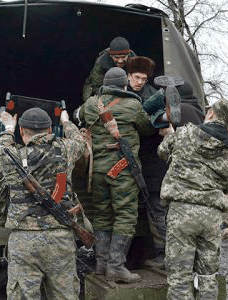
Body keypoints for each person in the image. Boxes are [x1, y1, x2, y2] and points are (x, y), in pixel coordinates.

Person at [0, 107, 86, 299]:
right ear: (51, 130)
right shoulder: (67, 149)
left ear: (21, 131)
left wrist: (8, 127)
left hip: (24, 241)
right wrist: (66, 122)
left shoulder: (11, 156)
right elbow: (80, 141)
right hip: (60, 238)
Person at [158, 98, 228, 299]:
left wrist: (170, 135)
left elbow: (162, 152)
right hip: (212, 217)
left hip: (182, 214)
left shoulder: (184, 134)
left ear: (211, 114)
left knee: (180, 278)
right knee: (208, 277)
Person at [77, 67, 155, 283]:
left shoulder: (92, 103)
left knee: (102, 214)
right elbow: (147, 128)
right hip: (123, 169)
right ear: (124, 85)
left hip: (98, 171)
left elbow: (80, 116)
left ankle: (101, 264)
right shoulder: (133, 105)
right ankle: (117, 266)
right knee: (125, 215)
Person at [140, 80, 205, 270]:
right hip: (188, 176)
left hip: (163, 171)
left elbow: (153, 122)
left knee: (159, 212)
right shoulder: (198, 111)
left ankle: (165, 256)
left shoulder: (180, 110)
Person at [82, 36, 135, 101]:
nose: (120, 61)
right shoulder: (101, 62)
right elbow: (97, 85)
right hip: (101, 87)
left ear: (128, 55)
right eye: (117, 57)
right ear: (111, 56)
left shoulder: (134, 61)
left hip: (125, 87)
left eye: (123, 57)